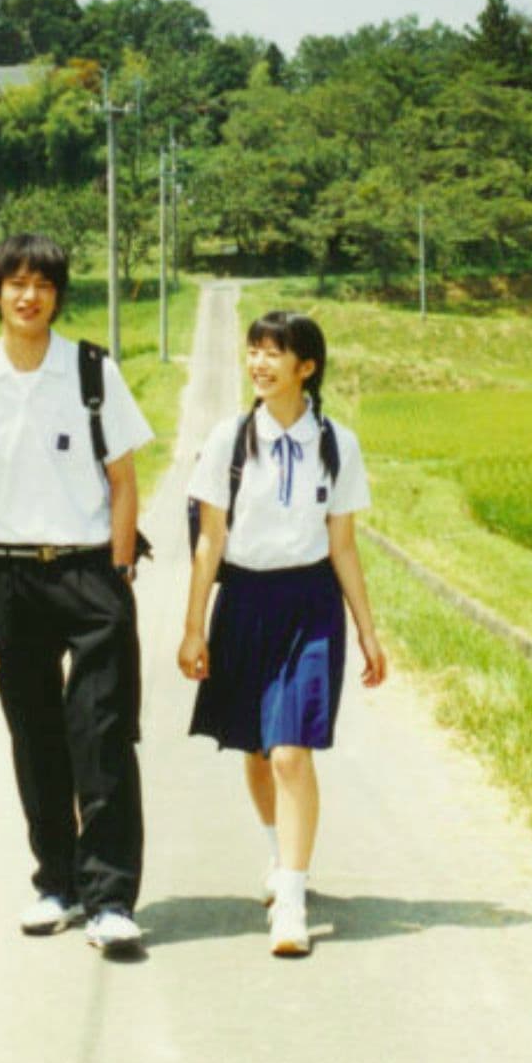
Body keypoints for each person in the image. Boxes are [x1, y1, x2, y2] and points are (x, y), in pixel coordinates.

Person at [0, 233, 153, 954]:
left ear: (58, 294)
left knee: (103, 735)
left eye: (43, 283)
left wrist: (117, 574)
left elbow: (124, 480)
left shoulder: (91, 372)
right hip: (11, 580)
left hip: (90, 573)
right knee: (37, 739)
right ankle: (57, 883)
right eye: (16, 283)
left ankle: (111, 896)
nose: (29, 295)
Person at [178, 309, 386, 957]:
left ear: (307, 367)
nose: (260, 364)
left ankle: (291, 899)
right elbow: (210, 540)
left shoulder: (338, 445)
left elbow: (344, 547)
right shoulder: (228, 441)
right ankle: (278, 853)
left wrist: (368, 632)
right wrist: (193, 628)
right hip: (243, 600)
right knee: (259, 748)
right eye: (254, 352)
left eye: (275, 354)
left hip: (310, 603)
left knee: (292, 750)